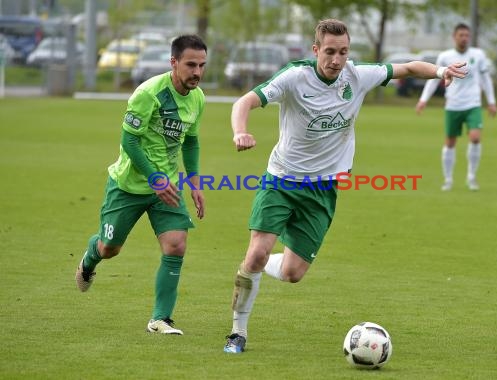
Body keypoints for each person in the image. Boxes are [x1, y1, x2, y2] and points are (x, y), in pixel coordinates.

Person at [223, 18, 467, 353]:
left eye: (343, 52)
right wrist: (240, 130)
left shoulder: (357, 75)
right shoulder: (295, 77)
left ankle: (257, 264)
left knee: (293, 273)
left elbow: (409, 68)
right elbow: (244, 101)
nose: (336, 60)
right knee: (257, 252)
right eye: (329, 52)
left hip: (322, 190)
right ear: (315, 50)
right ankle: (238, 333)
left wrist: (441, 73)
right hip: (281, 180)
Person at [75, 34, 207, 335]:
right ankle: (89, 258)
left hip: (168, 188)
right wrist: (154, 177)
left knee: (176, 245)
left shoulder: (198, 99)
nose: (197, 72)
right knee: (109, 249)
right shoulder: (148, 93)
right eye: (190, 65)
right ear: (173, 62)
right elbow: (129, 141)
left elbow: (192, 141)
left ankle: (161, 319)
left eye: (202, 65)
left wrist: (195, 182)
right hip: (128, 185)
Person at [416, 23, 497, 191]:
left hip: (473, 104)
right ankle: (448, 179)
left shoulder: (478, 55)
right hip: (453, 105)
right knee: (450, 142)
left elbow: (486, 79)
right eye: (461, 35)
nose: (464, 38)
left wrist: (491, 101)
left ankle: (471, 177)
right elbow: (433, 79)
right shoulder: (445, 56)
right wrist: (423, 99)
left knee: (475, 137)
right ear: (454, 37)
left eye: (467, 35)